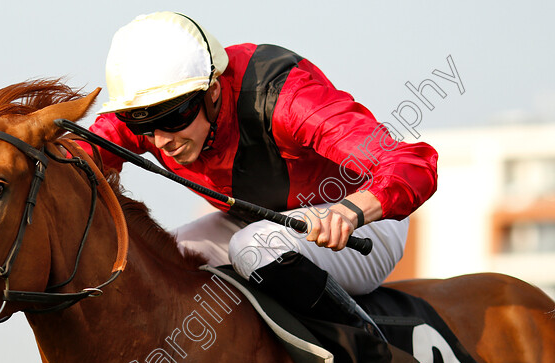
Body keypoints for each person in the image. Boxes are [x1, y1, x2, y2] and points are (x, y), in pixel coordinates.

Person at [85, 11, 438, 331]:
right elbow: (74, 156)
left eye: (174, 117)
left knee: (253, 247)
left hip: (363, 231)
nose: (161, 140)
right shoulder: (156, 117)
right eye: (142, 123)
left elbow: (411, 161)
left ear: (211, 91)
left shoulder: (285, 100)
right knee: (156, 258)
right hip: (260, 223)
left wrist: (352, 210)